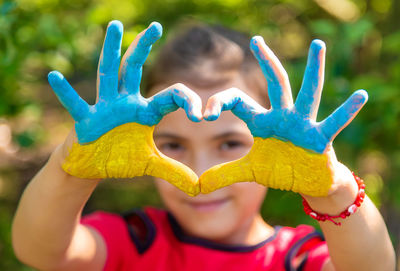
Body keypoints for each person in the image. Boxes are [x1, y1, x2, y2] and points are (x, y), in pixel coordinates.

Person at [11, 20, 395, 271]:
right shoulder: (134, 240)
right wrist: (70, 169)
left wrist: (334, 192)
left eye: (229, 143)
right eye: (174, 144)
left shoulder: (296, 259)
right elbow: (41, 251)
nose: (200, 168)